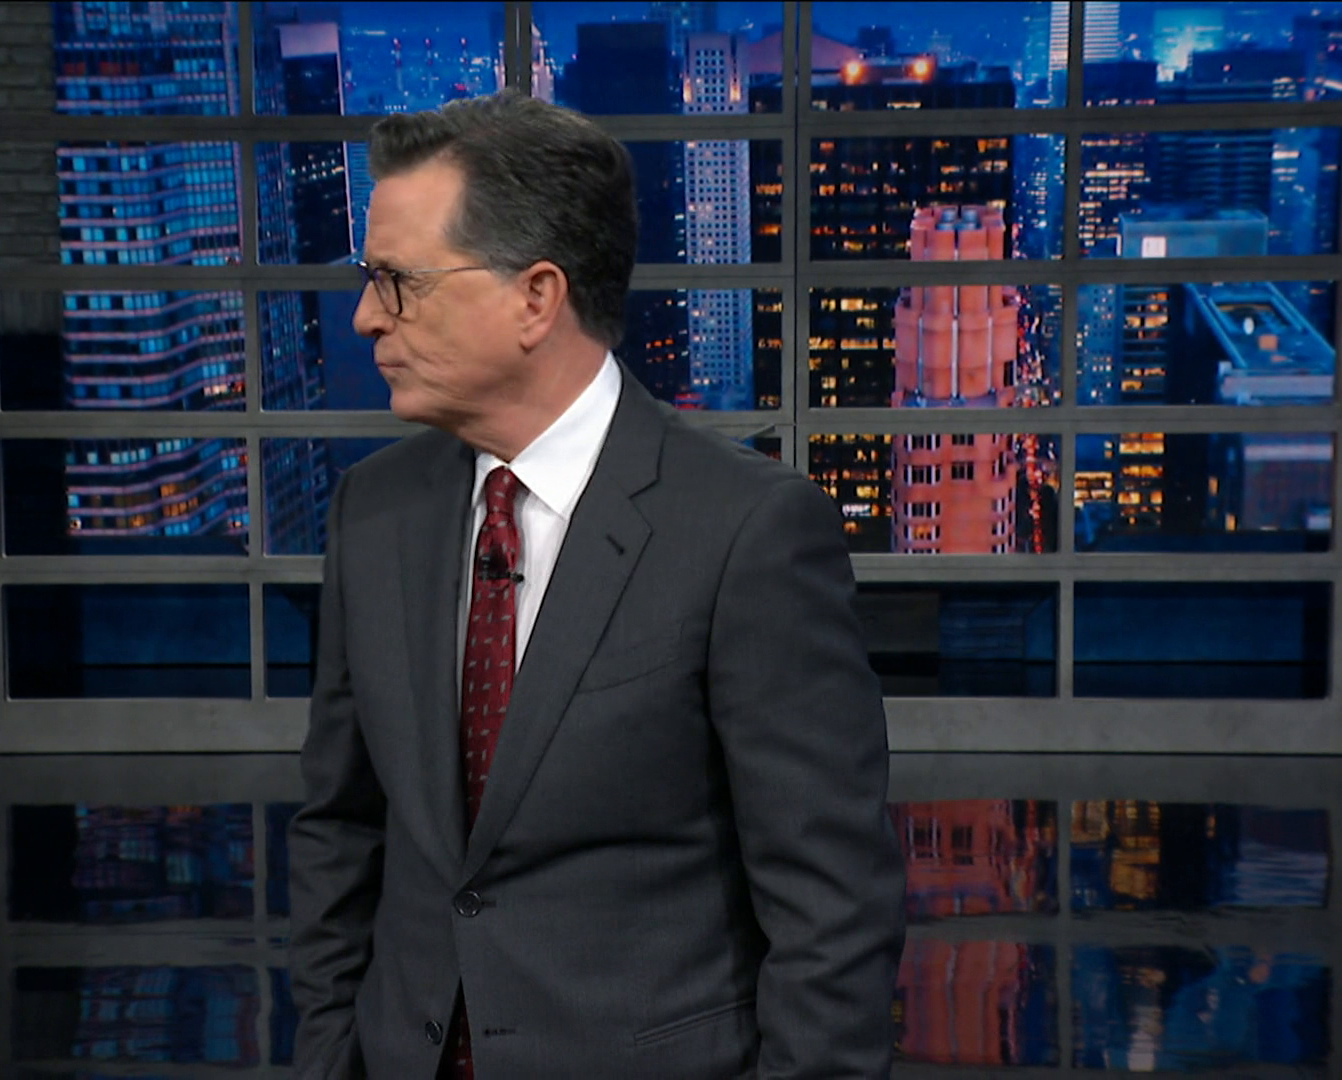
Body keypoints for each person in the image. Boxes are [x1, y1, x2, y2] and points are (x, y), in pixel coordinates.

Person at [288, 89, 903, 1080]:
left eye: (399, 282)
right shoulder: (373, 511)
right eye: (369, 281)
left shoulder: (745, 531)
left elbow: (832, 913)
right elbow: (341, 832)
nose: (366, 317)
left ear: (536, 298)